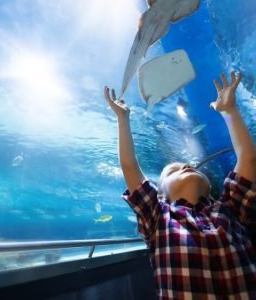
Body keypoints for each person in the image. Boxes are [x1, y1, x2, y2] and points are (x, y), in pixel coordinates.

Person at [103, 71, 256, 299]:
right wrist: (123, 119)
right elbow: (128, 165)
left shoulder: (229, 207)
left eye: (190, 167)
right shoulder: (158, 215)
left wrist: (230, 111)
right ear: (160, 194)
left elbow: (248, 158)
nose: (186, 166)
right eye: (173, 170)